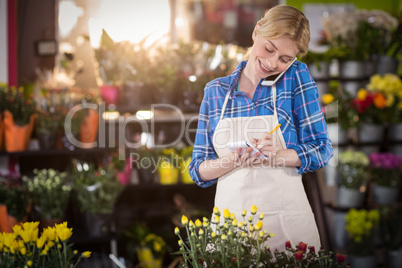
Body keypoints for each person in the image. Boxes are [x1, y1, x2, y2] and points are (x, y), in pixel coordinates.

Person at [189, 5, 333, 252]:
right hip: (230, 233)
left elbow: (321, 149)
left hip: (287, 230)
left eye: (285, 59)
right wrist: (234, 160)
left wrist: (277, 156)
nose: (272, 62)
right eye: (269, 48)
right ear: (256, 32)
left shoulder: (295, 77)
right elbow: (198, 170)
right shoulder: (216, 91)